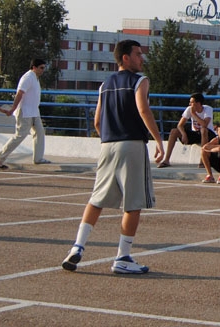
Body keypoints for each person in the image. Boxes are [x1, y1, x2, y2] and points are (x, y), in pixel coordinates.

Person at [61, 39, 165, 274]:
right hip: (131, 145)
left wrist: (109, 137)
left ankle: (78, 246)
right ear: (125, 58)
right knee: (133, 202)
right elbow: (143, 109)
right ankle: (123, 257)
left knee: (97, 199)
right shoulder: (140, 81)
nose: (142, 58)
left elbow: (97, 121)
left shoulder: (104, 84)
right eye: (138, 54)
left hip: (107, 145)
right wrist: (159, 140)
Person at [0, 59, 50, 165]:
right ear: (34, 67)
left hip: (34, 112)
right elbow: (20, 93)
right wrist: (13, 108)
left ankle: (38, 158)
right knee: (20, 135)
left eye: (44, 68)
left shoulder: (35, 78)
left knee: (39, 132)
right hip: (25, 112)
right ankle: (0, 157)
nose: (43, 70)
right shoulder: (27, 77)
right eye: (41, 68)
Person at [159, 93, 215, 167]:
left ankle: (203, 161)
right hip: (196, 134)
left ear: (198, 103)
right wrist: (183, 134)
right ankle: (166, 160)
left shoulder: (208, 109)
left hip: (208, 134)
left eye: (192, 102)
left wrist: (193, 114)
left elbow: (204, 124)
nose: (190, 104)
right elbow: (180, 125)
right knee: (174, 131)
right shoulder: (189, 109)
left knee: (203, 130)